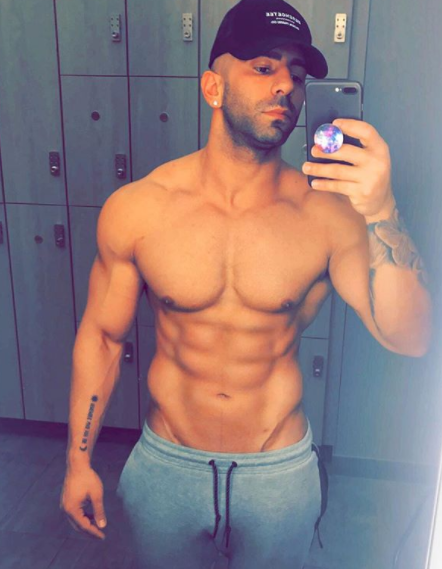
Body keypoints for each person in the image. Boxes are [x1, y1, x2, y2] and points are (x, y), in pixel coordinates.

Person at [59, 0, 432, 568]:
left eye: (297, 75)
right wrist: (77, 461)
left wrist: (382, 209)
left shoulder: (328, 216)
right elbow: (103, 338)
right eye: (263, 67)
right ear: (213, 87)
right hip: (168, 467)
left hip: (277, 473)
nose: (286, 85)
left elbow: (409, 337)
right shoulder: (139, 209)